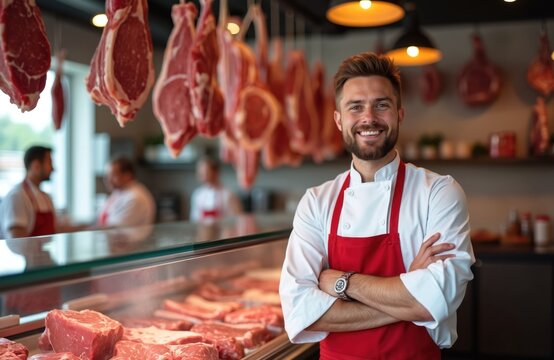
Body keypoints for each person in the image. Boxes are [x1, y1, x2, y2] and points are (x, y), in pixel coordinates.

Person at [279, 52, 475, 359]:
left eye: (381, 105)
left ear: (399, 113)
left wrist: (342, 283)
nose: (368, 118)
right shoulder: (317, 202)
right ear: (339, 119)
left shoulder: (439, 192)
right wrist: (407, 294)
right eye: (355, 106)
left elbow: (439, 298)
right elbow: (302, 312)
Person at [0, 146, 58, 239]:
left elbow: (56, 229)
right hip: (27, 254)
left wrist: (84, 227)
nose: (53, 169)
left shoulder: (46, 197)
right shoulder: (17, 197)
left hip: (43, 253)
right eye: (50, 163)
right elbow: (17, 240)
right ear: (36, 166)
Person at [97, 156, 156, 228]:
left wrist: (84, 229)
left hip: (129, 239)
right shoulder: (118, 192)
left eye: (113, 175)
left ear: (127, 175)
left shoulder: (135, 198)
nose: (107, 180)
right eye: (107, 175)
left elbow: (114, 229)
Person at [190, 156, 242, 222]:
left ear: (216, 173)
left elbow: (236, 220)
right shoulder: (197, 195)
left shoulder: (228, 195)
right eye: (200, 171)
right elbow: (194, 220)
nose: (201, 174)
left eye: (205, 171)